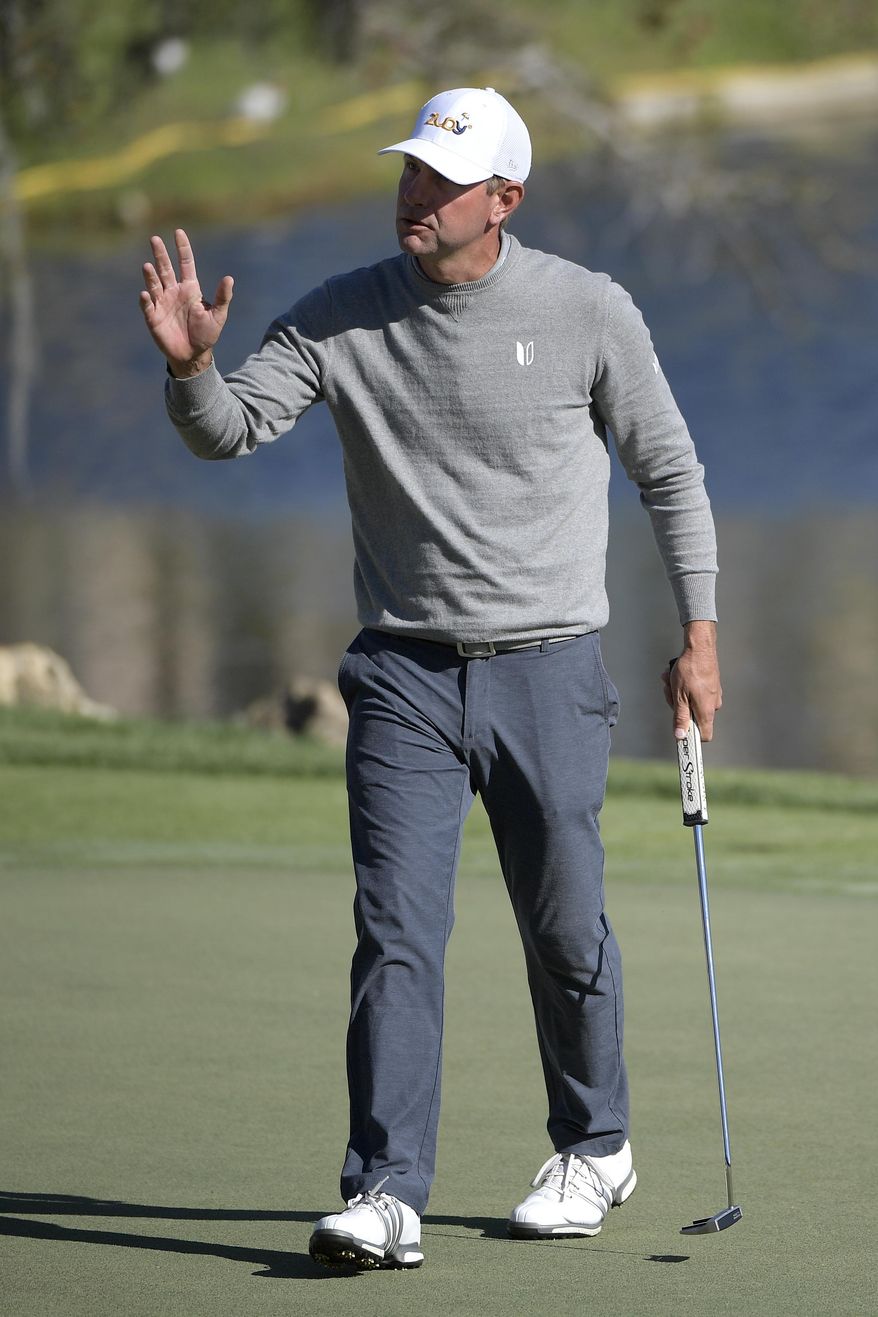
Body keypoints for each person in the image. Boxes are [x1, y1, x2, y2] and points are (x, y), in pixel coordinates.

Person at [140, 86, 721, 1272]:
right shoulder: (343, 316)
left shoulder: (585, 311)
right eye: (409, 170)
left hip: (549, 667)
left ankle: (594, 1142)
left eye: (441, 180)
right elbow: (230, 428)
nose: (415, 191)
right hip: (402, 670)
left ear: (504, 200)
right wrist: (194, 370)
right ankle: (385, 1191)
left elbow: (669, 471)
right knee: (396, 929)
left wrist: (699, 634)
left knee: (562, 929)